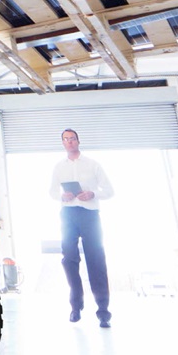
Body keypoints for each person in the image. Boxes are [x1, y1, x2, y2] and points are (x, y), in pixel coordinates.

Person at [49, 129, 114, 327]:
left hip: (89, 215)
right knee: (69, 259)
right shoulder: (59, 167)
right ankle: (76, 307)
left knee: (95, 259)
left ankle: (103, 310)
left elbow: (109, 191)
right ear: (63, 143)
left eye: (72, 138)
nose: (69, 142)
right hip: (68, 214)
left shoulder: (93, 164)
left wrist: (93, 194)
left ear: (78, 141)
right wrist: (62, 196)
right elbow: (52, 192)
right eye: (66, 139)